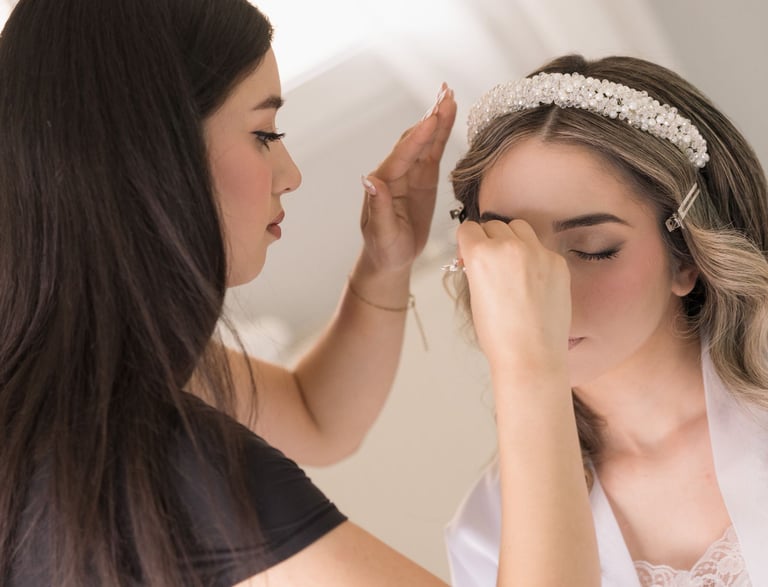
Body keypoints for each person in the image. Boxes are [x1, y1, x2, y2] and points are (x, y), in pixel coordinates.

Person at [0, 0, 475, 585]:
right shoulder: (156, 449)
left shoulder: (78, 362)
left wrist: (385, 264)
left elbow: (315, 415)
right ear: (152, 154)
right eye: (264, 133)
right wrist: (534, 371)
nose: (291, 172)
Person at [443, 53, 768, 586]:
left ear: (685, 256)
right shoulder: (488, 530)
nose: (540, 290)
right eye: (511, 251)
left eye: (592, 249)